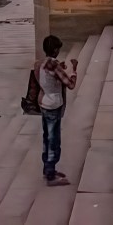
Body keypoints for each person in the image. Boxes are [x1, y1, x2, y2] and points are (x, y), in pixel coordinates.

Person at [35, 35, 77, 186]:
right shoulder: (53, 65)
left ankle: (47, 169)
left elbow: (48, 77)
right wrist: (74, 70)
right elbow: (70, 84)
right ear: (55, 49)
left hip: (43, 102)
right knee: (54, 139)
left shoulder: (40, 63)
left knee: (47, 138)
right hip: (53, 104)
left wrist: (61, 68)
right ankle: (51, 174)